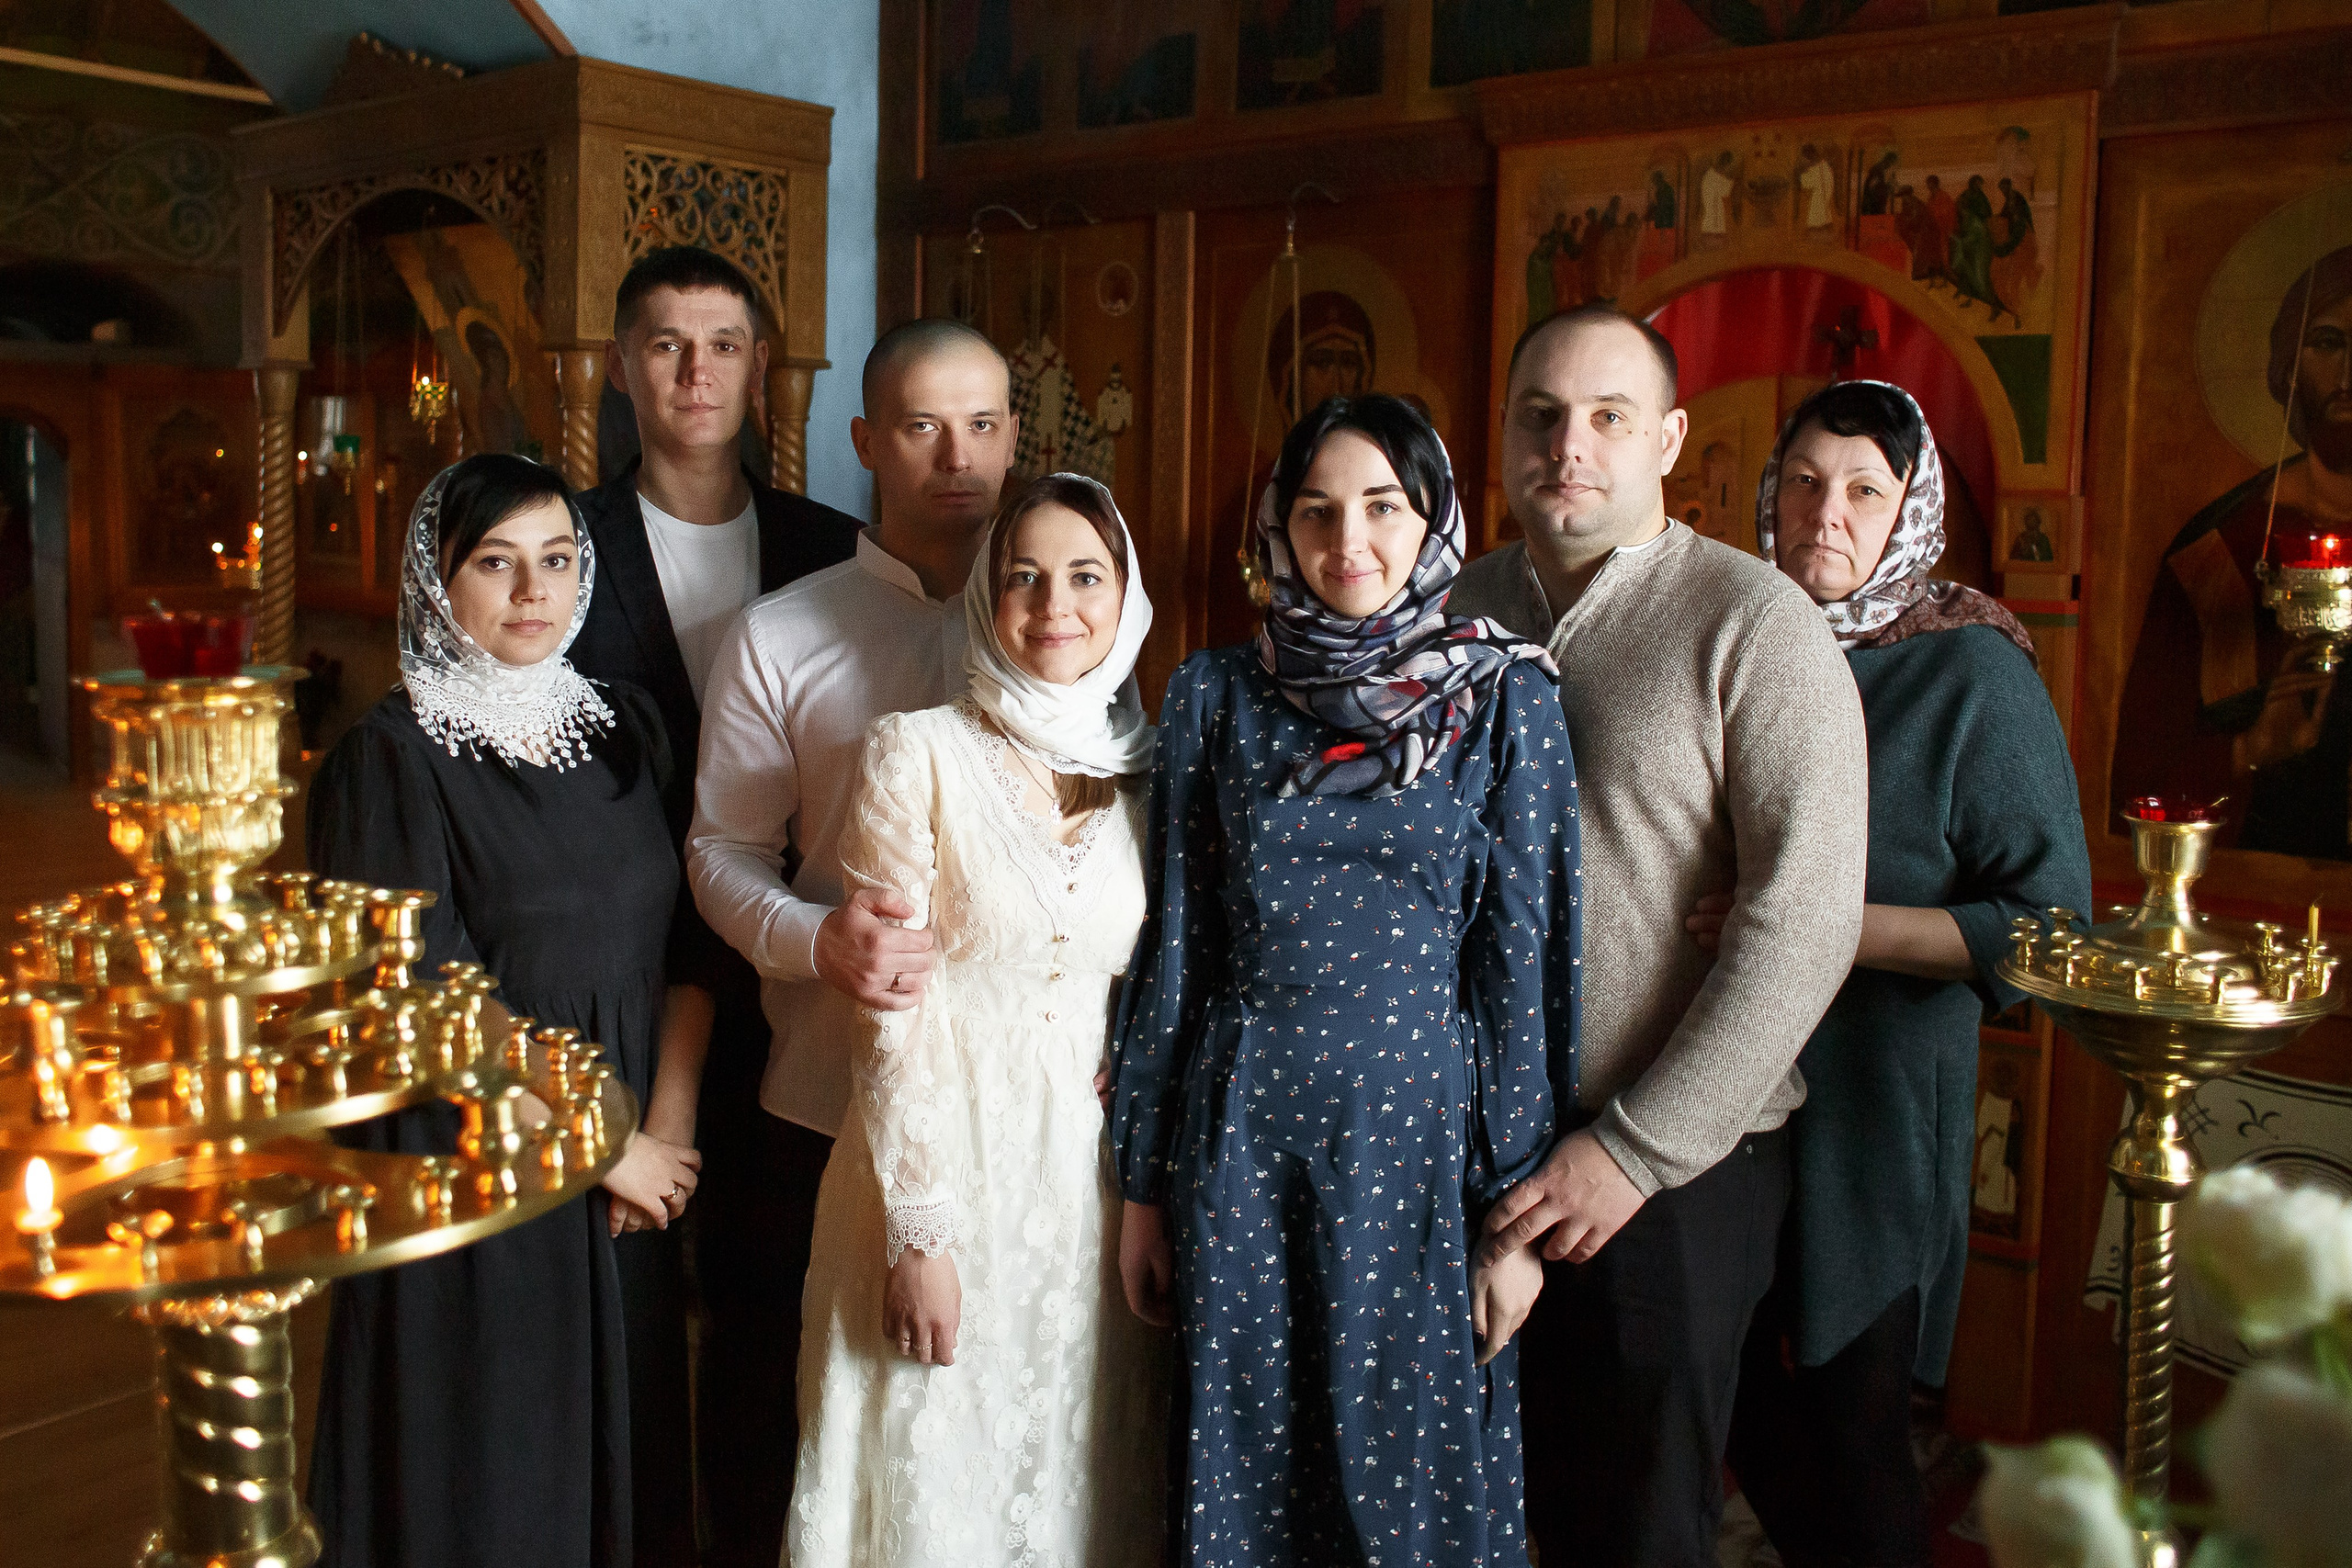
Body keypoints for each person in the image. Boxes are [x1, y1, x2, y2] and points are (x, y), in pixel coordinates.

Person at [1112, 393, 1581, 1568]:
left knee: (1408, 1490)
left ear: (1434, 521)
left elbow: (1520, 969)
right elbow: (1179, 949)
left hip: (1416, 1139)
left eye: (1382, 506)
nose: (1346, 541)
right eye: (1315, 511)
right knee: (1248, 1475)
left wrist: (1513, 1225)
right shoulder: (1214, 694)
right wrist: (1141, 1182)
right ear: (1277, 528)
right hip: (1243, 1129)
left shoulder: (1503, 698)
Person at [1448, 304, 1868, 1568]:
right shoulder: (1457, 608)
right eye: (1542, 414)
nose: (1569, 444)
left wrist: (1630, 1152)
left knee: (1631, 1524)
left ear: (1670, 439)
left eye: (1608, 417)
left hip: (1677, 1167)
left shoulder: (1755, 623)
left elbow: (1801, 922)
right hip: (1477, 1145)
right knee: (1467, 1500)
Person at [1701, 380, 2092, 1568]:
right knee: (1732, 1412)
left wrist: (1826, 926)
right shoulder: (1738, 639)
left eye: (1866, 490)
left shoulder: (1969, 671)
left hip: (1872, 1116)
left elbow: (2050, 926)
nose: (1830, 513)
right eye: (1806, 483)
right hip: (1719, 1092)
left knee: (1855, 1437)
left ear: (1911, 511)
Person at [304, 453, 707, 1568]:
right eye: (496, 563)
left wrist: (665, 1133)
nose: (535, 591)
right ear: (438, 581)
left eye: (558, 560)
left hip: (635, 1179)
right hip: (486, 1168)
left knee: (621, 1472)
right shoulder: (386, 761)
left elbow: (689, 953)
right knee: (499, 1491)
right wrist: (599, 1144)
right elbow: (419, 993)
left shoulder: (627, 728)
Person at [790, 474, 1168, 1564]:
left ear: (1123, 596)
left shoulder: (1150, 773)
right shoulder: (917, 751)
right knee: (932, 1466)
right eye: (1025, 577)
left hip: (1092, 1190)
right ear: (986, 601)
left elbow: (1174, 975)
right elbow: (889, 1014)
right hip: (942, 1162)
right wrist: (922, 1233)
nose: (1057, 603)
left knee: (1075, 1473)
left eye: (1085, 576)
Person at [685, 315, 1021, 1519]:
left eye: (984, 422)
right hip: (821, 1096)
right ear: (865, 436)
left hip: (1009, 1108)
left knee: (977, 1428)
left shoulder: (1065, 623)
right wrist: (816, 937)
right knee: (799, 1436)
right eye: (924, 424)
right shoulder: (781, 632)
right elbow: (720, 851)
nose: (958, 455)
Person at [566, 243, 862, 1568]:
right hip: (625, 980)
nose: (696, 371)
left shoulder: (822, 545)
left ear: (760, 368)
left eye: (724, 343)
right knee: (621, 1319)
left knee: (768, 1307)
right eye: (668, 344)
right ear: (624, 366)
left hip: (794, 977)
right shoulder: (559, 549)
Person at [2115, 245, 2352, 858]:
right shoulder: (2217, 550)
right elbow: (2141, 776)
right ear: (2290, 365)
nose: (2350, 372)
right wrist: (2249, 750)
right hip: (2254, 875)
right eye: (2327, 342)